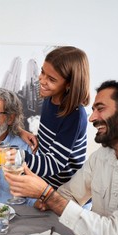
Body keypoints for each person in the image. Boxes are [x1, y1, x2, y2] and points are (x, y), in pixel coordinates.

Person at [5, 80, 118, 235]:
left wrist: (48, 195)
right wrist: (47, 198)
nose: (91, 118)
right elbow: (70, 195)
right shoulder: (102, 156)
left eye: (100, 108)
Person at [25, 46, 90, 194]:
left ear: (69, 84)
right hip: (47, 187)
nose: (41, 79)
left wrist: (19, 156)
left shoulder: (76, 115)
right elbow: (52, 142)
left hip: (67, 194)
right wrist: (37, 139)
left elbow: (53, 164)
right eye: (42, 72)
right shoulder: (49, 100)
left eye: (51, 79)